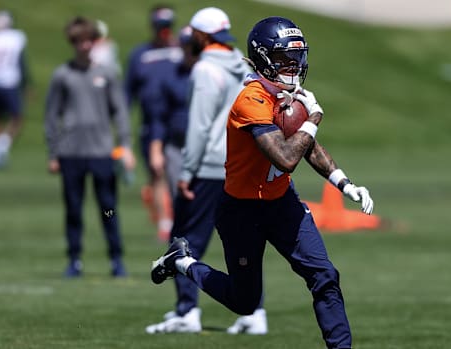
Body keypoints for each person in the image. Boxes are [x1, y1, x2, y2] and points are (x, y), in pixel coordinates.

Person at [150, 16, 374, 349]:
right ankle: (182, 262)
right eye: (284, 58)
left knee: (324, 276)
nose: (293, 66)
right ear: (264, 58)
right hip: (242, 210)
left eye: (297, 58)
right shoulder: (250, 100)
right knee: (245, 302)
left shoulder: (290, 95)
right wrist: (312, 118)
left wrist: (343, 183)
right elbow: (285, 156)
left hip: (282, 202)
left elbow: (307, 145)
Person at [145, 9, 268, 335]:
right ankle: (254, 313)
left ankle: (187, 311)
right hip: (242, 166)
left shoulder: (204, 69)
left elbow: (198, 127)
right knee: (243, 241)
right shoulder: (243, 62)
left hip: (209, 167)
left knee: (185, 240)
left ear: (201, 36)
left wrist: (186, 172)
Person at [44, 16, 136, 278]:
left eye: (88, 40)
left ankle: (116, 258)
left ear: (94, 41)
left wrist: (125, 146)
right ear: (72, 42)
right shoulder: (62, 75)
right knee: (73, 209)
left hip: (101, 152)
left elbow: (120, 112)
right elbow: (52, 115)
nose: (84, 46)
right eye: (78, 41)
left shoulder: (106, 74)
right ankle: (74, 260)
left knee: (108, 208)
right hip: (71, 152)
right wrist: (53, 152)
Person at [125, 4, 181, 241]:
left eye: (167, 27)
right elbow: (128, 92)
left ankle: (182, 217)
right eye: (160, 27)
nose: (163, 31)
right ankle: (165, 221)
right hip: (151, 122)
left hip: (179, 122)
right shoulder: (140, 55)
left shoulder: (181, 51)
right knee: (156, 172)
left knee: (180, 173)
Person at [0, 10, 29, 170]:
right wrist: (27, 84)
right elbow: (22, 62)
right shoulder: (15, 38)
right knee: (17, 119)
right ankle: (0, 148)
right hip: (10, 83)